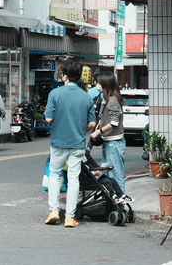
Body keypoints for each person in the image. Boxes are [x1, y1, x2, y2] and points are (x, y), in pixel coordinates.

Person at [43, 61, 96, 228]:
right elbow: (92, 124)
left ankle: (53, 211)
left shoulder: (55, 93)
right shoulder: (86, 96)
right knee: (74, 179)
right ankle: (70, 217)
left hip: (58, 141)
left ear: (65, 76)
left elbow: (49, 118)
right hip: (77, 143)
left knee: (55, 175)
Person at [89, 72, 126, 195]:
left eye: (99, 83)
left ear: (105, 84)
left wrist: (98, 132)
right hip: (109, 142)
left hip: (114, 143)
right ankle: (115, 201)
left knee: (116, 174)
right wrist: (99, 123)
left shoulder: (112, 100)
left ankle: (122, 205)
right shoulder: (106, 99)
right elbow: (106, 118)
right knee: (109, 173)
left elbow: (114, 122)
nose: (97, 85)